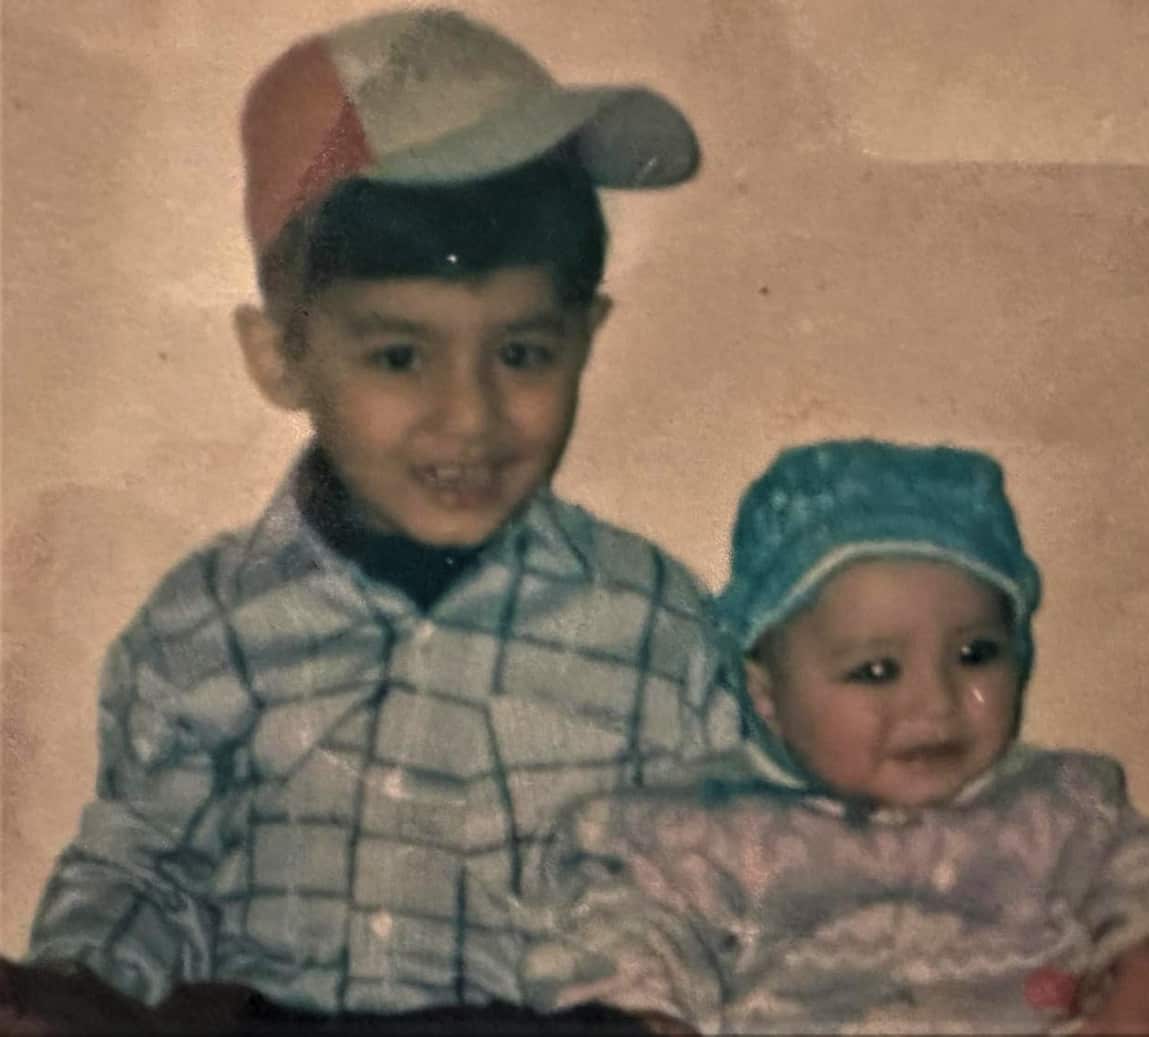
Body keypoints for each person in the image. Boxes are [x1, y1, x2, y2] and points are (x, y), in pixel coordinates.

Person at [0, 7, 740, 1033]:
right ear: (282, 357)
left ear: (585, 336)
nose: (470, 416)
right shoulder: (203, 624)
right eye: (399, 356)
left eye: (521, 353)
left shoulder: (656, 629)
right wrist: (74, 991)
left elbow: (706, 885)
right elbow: (144, 872)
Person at [520, 438, 1149, 1035]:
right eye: (876, 670)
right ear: (767, 693)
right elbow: (625, 927)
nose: (935, 701)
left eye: (976, 654)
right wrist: (648, 1011)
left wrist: (1144, 993)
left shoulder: (1056, 812)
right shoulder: (707, 830)